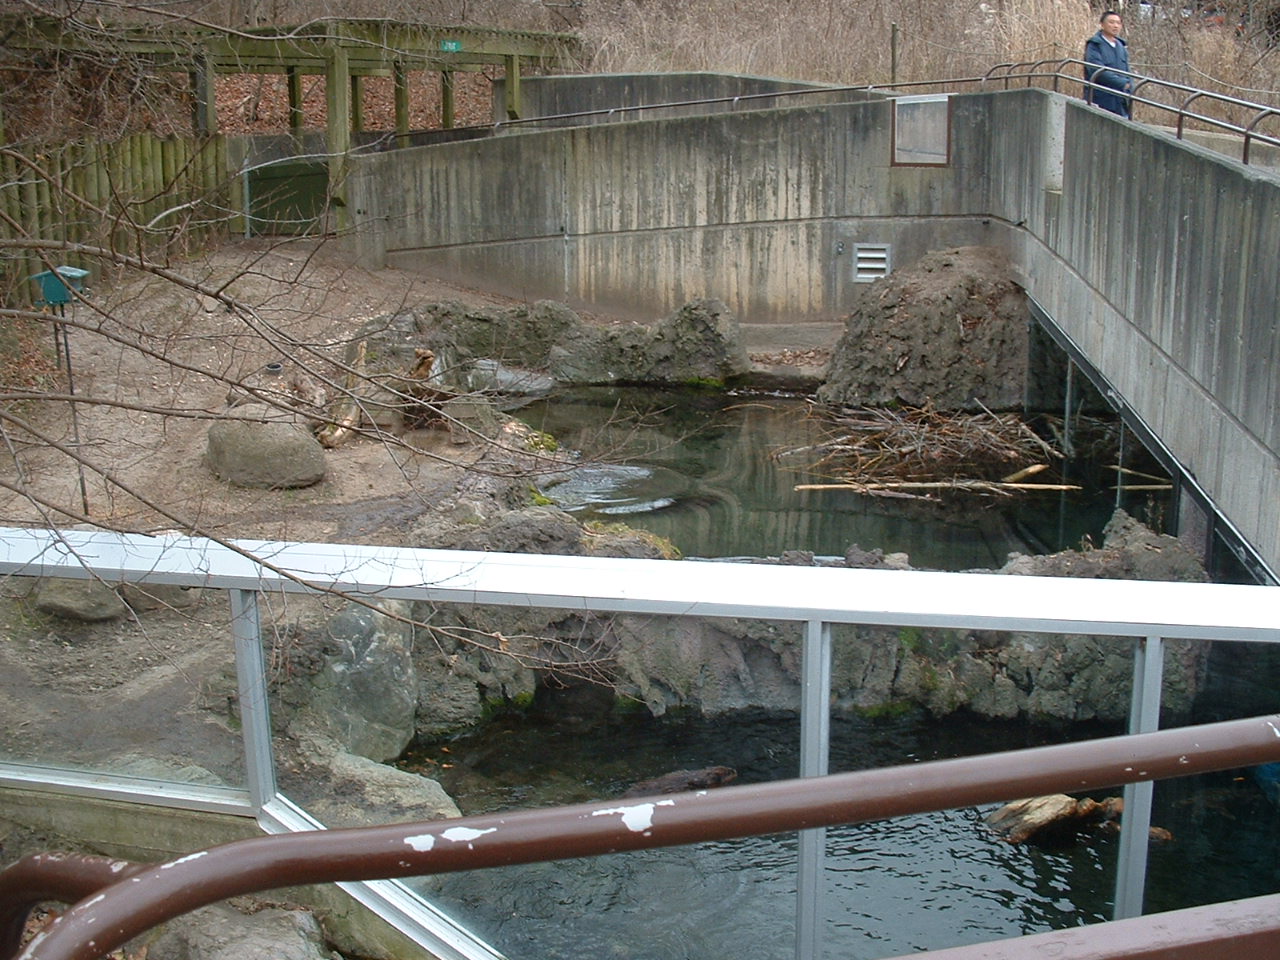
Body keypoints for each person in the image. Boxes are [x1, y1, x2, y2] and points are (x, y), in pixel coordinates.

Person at [1084, 11, 1133, 118]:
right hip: (1101, 97)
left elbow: (1127, 70)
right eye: (1111, 22)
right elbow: (1096, 70)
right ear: (1102, 24)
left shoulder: (1121, 45)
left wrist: (1130, 86)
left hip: (1121, 99)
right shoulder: (1095, 44)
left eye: (1118, 23)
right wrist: (1123, 83)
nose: (1115, 26)